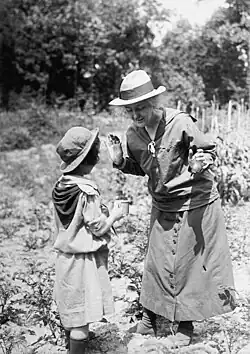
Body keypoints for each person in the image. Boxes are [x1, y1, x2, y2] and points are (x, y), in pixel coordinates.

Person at [106, 70, 236, 347]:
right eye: (130, 110)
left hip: (193, 200)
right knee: (156, 261)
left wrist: (201, 161)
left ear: (154, 102)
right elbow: (143, 168)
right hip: (163, 203)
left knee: (187, 264)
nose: (135, 115)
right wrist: (120, 162)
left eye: (140, 108)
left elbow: (208, 150)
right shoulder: (134, 133)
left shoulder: (180, 123)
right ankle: (150, 318)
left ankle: (186, 325)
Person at [52, 126, 125, 354]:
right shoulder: (86, 191)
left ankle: (70, 342)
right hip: (84, 261)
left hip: (64, 257)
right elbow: (98, 226)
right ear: (90, 159)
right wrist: (115, 214)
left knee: (71, 306)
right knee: (82, 317)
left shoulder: (60, 186)